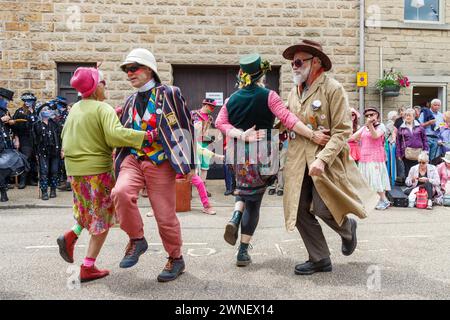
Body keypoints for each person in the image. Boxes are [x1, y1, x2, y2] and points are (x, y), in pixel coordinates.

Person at [216, 52, 330, 267]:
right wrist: (312, 134)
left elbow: (220, 123)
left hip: (238, 154)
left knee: (242, 191)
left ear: (243, 75)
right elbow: (289, 119)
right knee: (254, 203)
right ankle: (242, 251)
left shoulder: (232, 99)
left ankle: (235, 215)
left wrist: (240, 134)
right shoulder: (269, 96)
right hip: (262, 154)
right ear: (262, 75)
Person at [281, 39, 377, 275]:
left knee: (324, 208)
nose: (293, 67)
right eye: (292, 63)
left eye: (297, 61)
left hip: (325, 162)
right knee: (299, 210)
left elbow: (343, 131)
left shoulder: (332, 89)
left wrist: (322, 160)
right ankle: (320, 258)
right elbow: (288, 119)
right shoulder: (295, 91)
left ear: (316, 63)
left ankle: (347, 228)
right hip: (297, 161)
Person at [56, 67, 150, 282]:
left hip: (74, 170)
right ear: (95, 86)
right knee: (102, 218)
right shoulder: (102, 108)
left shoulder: (75, 108)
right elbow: (115, 136)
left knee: (88, 209)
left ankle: (72, 234)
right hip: (97, 171)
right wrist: (147, 136)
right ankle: (88, 266)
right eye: (103, 81)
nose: (105, 84)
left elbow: (67, 134)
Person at [111, 48, 195, 282]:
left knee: (165, 216)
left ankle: (175, 258)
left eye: (133, 68)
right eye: (126, 70)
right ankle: (137, 239)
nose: (129, 73)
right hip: (133, 159)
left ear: (149, 69)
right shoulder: (128, 101)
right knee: (120, 192)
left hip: (161, 162)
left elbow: (186, 126)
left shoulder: (170, 93)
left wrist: (188, 165)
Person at [350, 107, 391, 210]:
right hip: (364, 157)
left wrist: (370, 125)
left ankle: (384, 200)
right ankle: (372, 201)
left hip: (375, 157)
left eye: (372, 114)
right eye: (367, 115)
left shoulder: (381, 126)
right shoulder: (364, 128)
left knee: (376, 179)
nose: (369, 117)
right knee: (366, 180)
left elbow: (375, 136)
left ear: (377, 115)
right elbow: (352, 137)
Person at [0, 88, 29, 202]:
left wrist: (11, 123)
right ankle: (3, 191)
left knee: (4, 168)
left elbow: (9, 128)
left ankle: (3, 191)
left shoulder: (5, 111)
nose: (7, 102)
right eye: (5, 100)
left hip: (5, 144)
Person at [32, 105, 62, 200]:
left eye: (48, 109)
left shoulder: (55, 124)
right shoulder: (36, 125)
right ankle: (44, 191)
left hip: (55, 151)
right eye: (45, 109)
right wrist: (36, 153)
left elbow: (60, 137)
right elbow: (34, 140)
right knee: (44, 172)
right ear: (40, 112)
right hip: (42, 151)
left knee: (54, 171)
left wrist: (62, 150)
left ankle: (53, 190)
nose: (47, 111)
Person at [10, 92, 39, 189]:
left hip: (34, 139)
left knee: (33, 159)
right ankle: (23, 180)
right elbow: (15, 127)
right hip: (24, 138)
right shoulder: (20, 112)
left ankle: (31, 179)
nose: (27, 102)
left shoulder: (36, 112)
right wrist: (16, 139)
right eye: (26, 101)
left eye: (30, 101)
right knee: (25, 158)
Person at [396, 108, 429, 182]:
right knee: (408, 170)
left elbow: (424, 139)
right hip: (407, 153)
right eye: (406, 115)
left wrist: (426, 150)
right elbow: (398, 142)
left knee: (418, 168)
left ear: (414, 117)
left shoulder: (420, 127)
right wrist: (398, 154)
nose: (407, 117)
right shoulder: (401, 128)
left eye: (409, 115)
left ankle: (418, 183)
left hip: (419, 152)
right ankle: (409, 184)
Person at [385, 110, 398, 186]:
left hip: (390, 143)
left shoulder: (390, 123)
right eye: (396, 115)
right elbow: (393, 132)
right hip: (390, 143)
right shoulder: (391, 123)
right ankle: (393, 179)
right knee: (391, 162)